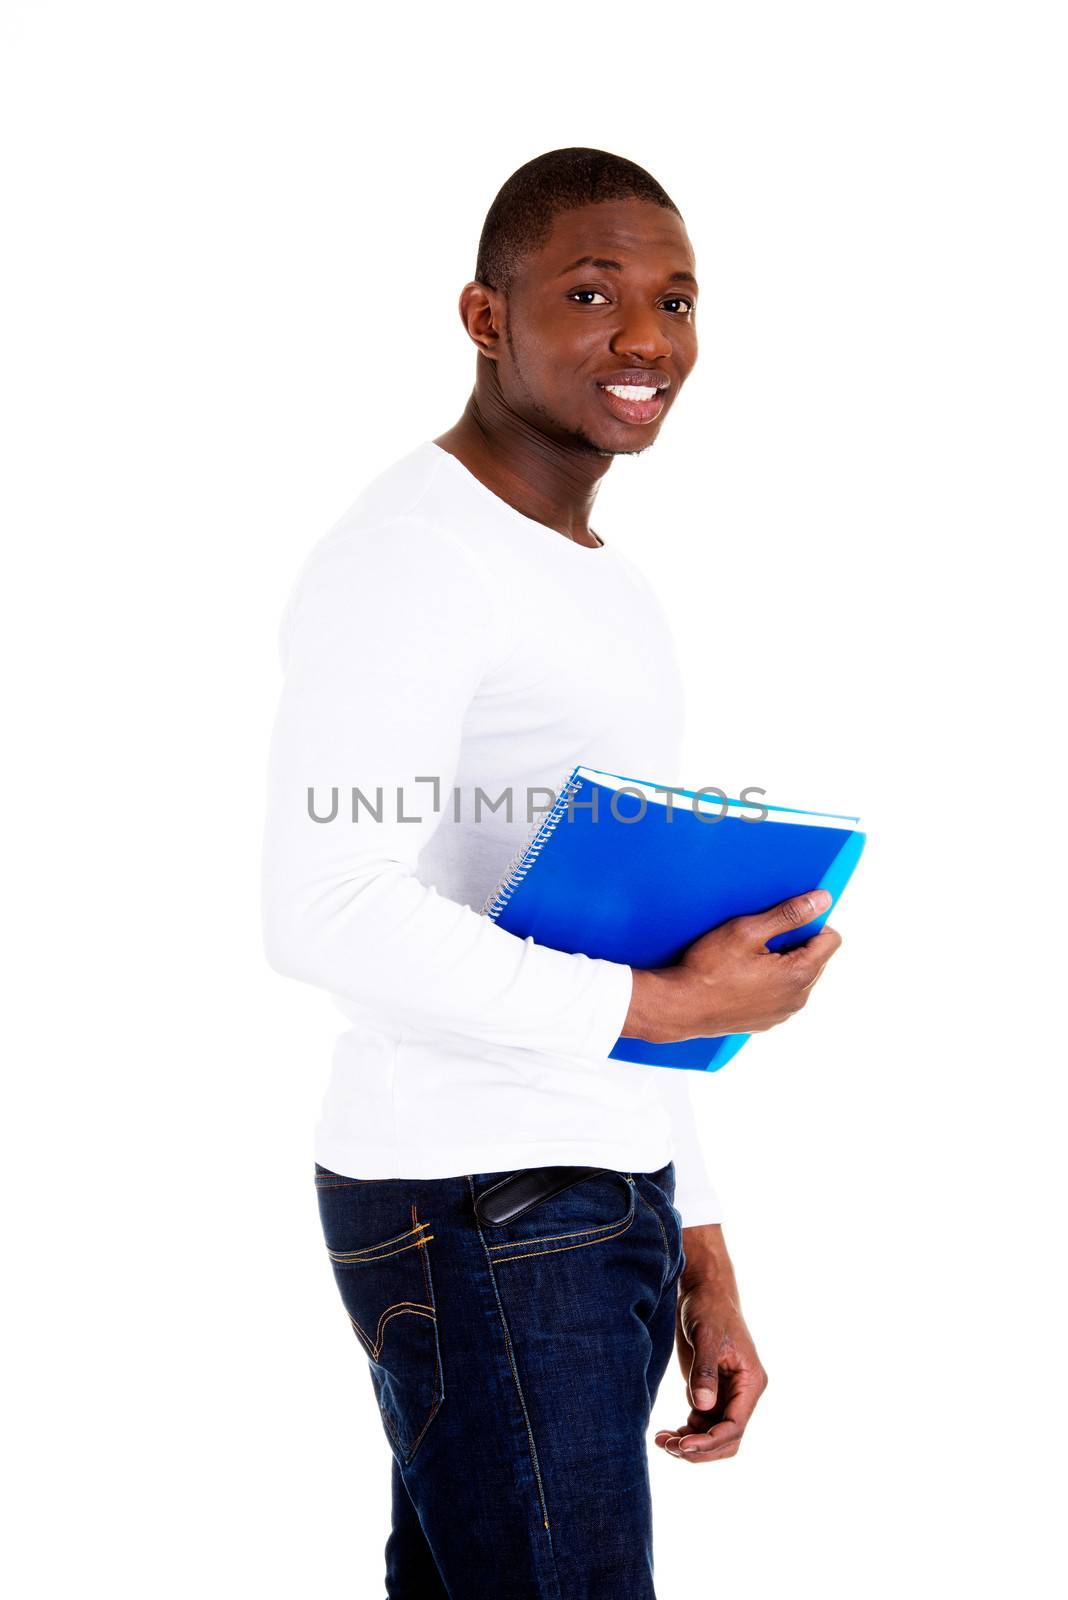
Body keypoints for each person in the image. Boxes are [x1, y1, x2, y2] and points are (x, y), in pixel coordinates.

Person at [261, 147, 842, 1599]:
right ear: (485, 316)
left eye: (676, 299)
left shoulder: (598, 577)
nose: (647, 338)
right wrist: (663, 1007)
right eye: (592, 294)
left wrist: (695, 1234)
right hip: (481, 1196)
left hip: (592, 1190)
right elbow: (320, 907)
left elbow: (612, 916)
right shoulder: (417, 554)